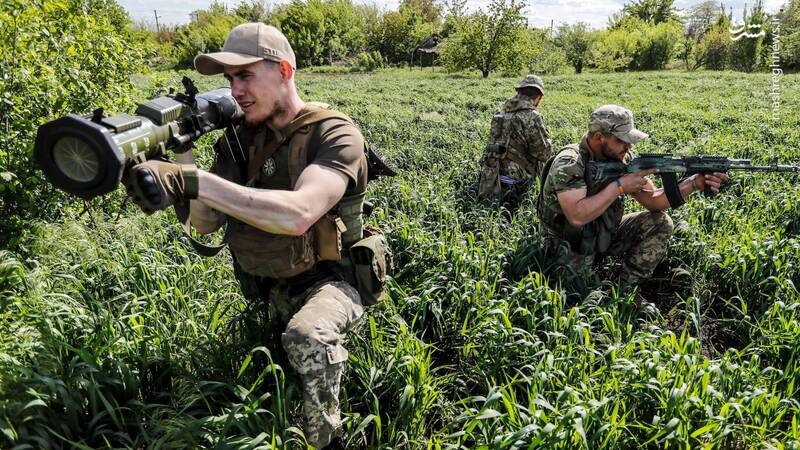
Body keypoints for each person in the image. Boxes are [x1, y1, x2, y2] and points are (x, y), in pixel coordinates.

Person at [123, 23, 377, 449]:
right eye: (229, 79)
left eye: (245, 76)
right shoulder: (240, 141)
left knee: (308, 336)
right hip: (273, 281)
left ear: (284, 71)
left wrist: (192, 180)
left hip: (334, 281)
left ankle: (327, 440)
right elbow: (206, 223)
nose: (235, 91)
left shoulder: (334, 133)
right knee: (279, 345)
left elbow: (299, 215)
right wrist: (183, 152)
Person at [538, 104, 728, 289]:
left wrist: (693, 183)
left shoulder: (622, 158)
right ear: (599, 137)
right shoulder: (570, 163)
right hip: (567, 242)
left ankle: (626, 290)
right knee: (578, 291)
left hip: (604, 231)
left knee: (660, 222)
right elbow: (577, 216)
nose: (628, 146)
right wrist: (619, 187)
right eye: (621, 140)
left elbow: (653, 200)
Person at [478, 74, 553, 205]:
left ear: (518, 92)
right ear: (538, 97)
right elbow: (544, 154)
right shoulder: (532, 116)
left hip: (491, 174)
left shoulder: (500, 113)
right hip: (515, 180)